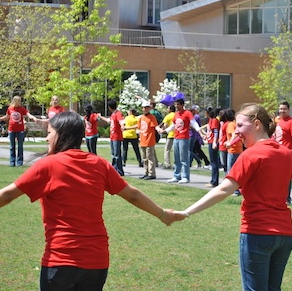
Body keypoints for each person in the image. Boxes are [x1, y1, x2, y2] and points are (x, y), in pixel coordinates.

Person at [0, 111, 176, 291]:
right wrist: (162, 214)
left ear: (61, 134)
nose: (47, 138)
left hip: (61, 260)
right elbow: (133, 195)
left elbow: (6, 195)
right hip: (96, 262)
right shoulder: (99, 164)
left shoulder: (47, 165)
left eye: (49, 132)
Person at [172, 103, 292, 291]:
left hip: (258, 233)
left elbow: (224, 190)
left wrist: (187, 212)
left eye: (240, 126)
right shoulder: (286, 153)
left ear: (256, 125)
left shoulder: (250, 155)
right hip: (285, 236)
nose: (236, 132)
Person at [161, 98, 201, 184]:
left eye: (178, 104)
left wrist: (199, 131)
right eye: (175, 104)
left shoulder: (187, 113)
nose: (176, 106)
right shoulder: (176, 114)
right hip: (176, 137)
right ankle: (176, 176)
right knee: (176, 158)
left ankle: (185, 177)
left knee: (184, 158)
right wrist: (165, 131)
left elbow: (193, 123)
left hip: (184, 137)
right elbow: (173, 125)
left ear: (182, 105)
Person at [273, 101, 292, 205]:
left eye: (284, 109)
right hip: (277, 152)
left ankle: (287, 198)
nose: (282, 111)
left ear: (288, 110)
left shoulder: (291, 122)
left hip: (286, 152)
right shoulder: (279, 121)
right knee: (277, 175)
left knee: (286, 176)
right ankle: (279, 196)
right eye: (280, 109)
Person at [0, 96, 38, 167]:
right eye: (17, 101)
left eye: (19, 101)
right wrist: (1, 118)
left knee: (20, 146)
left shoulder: (22, 109)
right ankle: (12, 162)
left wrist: (33, 118)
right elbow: (7, 117)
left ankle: (19, 162)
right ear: (14, 101)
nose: (18, 102)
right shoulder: (10, 108)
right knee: (12, 146)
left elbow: (28, 114)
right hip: (11, 130)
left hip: (20, 130)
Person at [99, 99, 125, 176]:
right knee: (114, 154)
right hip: (113, 137)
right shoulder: (113, 114)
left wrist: (123, 126)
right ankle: (114, 169)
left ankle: (119, 171)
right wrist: (100, 117)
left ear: (110, 107)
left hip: (117, 137)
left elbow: (121, 121)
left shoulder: (118, 113)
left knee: (117, 155)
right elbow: (108, 121)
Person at [223, 108, 244, 197]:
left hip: (233, 150)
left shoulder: (231, 124)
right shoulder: (235, 124)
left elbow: (234, 135)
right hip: (239, 149)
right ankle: (237, 190)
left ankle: (233, 191)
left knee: (231, 170)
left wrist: (229, 143)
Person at [136, 102, 158, 179]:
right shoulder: (141, 118)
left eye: (147, 108)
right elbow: (138, 127)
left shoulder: (152, 117)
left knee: (150, 157)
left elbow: (155, 126)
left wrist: (161, 130)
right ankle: (146, 172)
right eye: (144, 108)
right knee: (144, 158)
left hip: (149, 140)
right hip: (142, 140)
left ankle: (152, 173)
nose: (145, 109)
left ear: (149, 108)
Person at [204, 106, 220, 187]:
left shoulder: (214, 120)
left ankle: (214, 181)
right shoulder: (210, 120)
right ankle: (213, 180)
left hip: (213, 142)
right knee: (213, 162)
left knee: (214, 162)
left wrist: (214, 142)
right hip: (210, 141)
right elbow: (210, 131)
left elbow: (216, 131)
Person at [161, 104, 175, 169]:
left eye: (168, 108)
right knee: (176, 150)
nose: (167, 110)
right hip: (177, 135)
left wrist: (163, 130)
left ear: (170, 109)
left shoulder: (168, 116)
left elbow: (165, 125)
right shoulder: (176, 115)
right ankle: (176, 164)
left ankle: (167, 164)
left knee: (167, 150)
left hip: (170, 134)